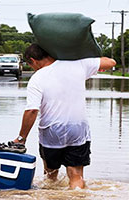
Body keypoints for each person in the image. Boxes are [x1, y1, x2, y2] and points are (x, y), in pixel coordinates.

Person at [13, 43, 116, 189]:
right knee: (76, 175)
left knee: (50, 176)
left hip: (51, 131)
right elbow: (111, 62)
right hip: (78, 129)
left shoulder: (37, 78)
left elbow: (32, 111)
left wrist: (21, 138)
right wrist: (79, 55)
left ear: (33, 60)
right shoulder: (78, 65)